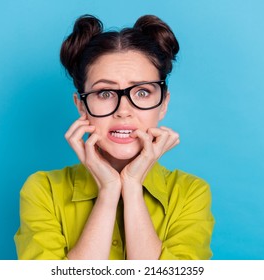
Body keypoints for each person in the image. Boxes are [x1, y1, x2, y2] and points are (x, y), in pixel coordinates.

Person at [14, 14, 214, 260]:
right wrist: (109, 192)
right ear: (82, 106)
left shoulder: (191, 193)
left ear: (163, 104)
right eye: (105, 93)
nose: (123, 111)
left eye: (142, 92)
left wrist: (132, 186)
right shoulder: (43, 190)